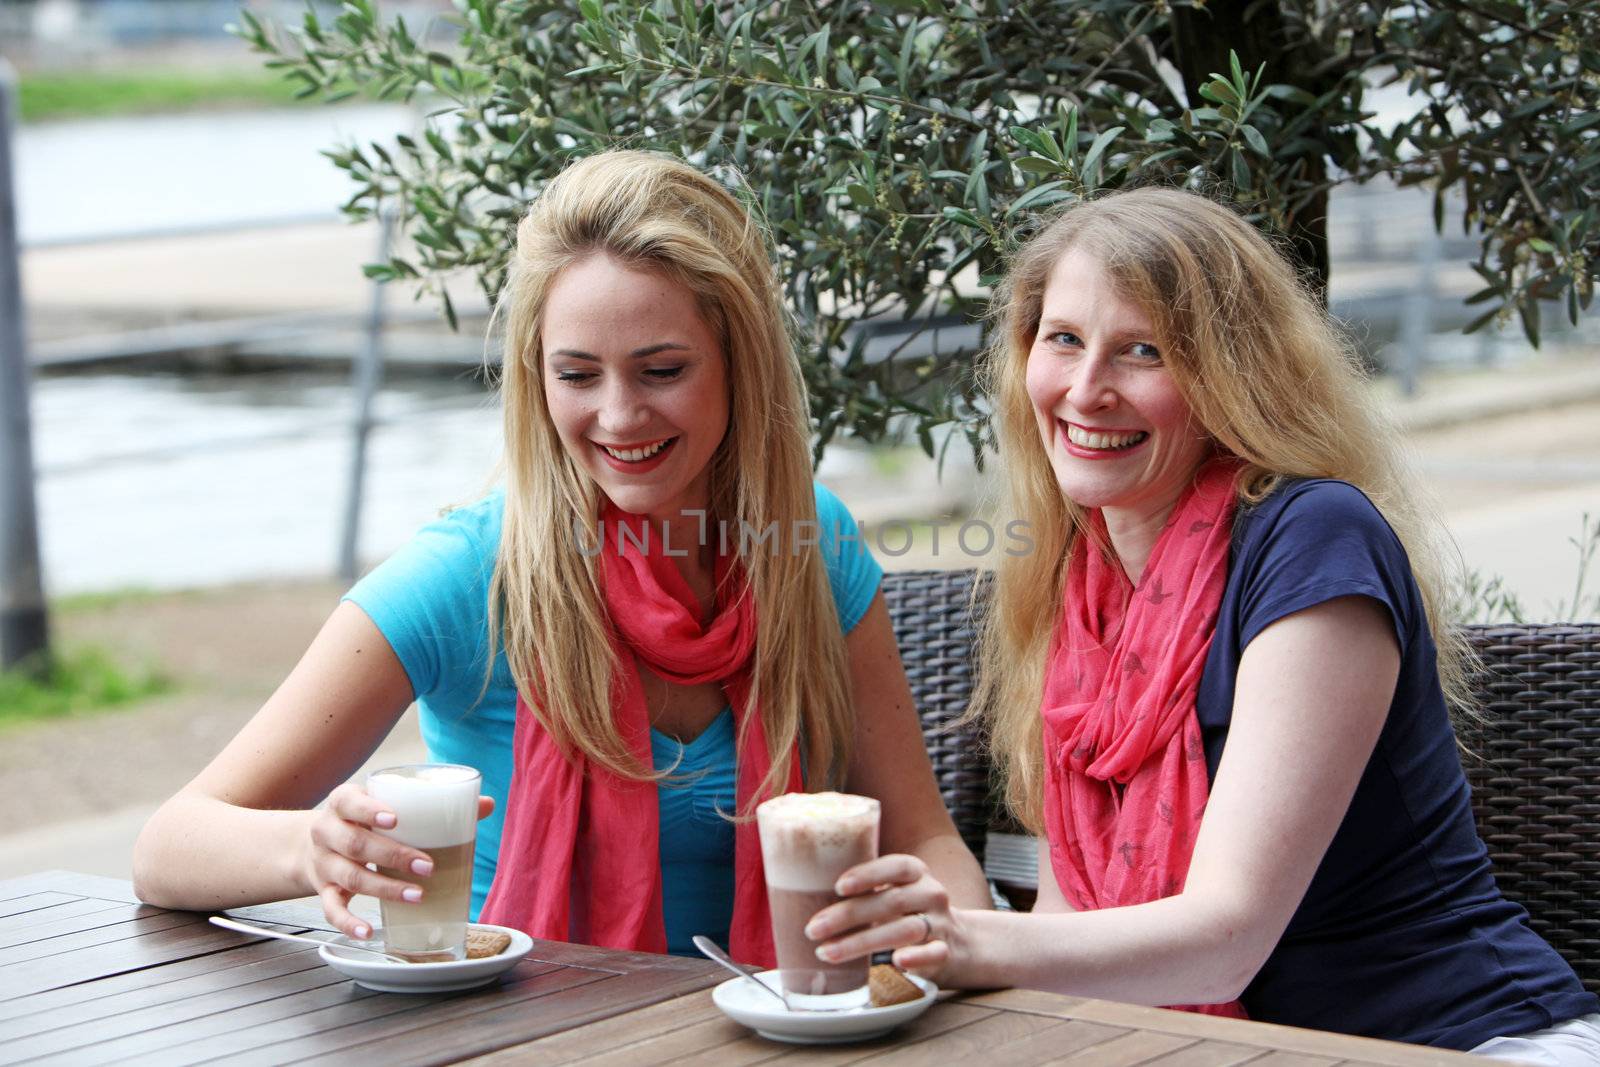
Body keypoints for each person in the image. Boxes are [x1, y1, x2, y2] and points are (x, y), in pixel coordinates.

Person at [132, 150, 990, 962]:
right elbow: (169, 846)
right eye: (577, 375)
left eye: (661, 370)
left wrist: (983, 969)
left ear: (741, 362)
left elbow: (923, 837)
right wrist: (310, 845)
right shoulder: (469, 575)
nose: (619, 416)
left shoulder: (809, 543)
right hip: (518, 1027)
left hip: (776, 1025)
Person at [802, 187, 1600, 1060]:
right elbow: (1072, 930)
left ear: (1228, 374)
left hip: (1458, 1039)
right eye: (1063, 339)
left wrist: (966, 939)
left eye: (1142, 351)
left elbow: (1227, 938)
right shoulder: (1082, 584)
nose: (1085, 388)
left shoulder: (1314, 540)